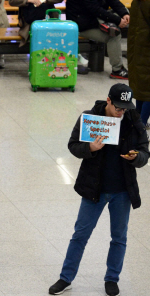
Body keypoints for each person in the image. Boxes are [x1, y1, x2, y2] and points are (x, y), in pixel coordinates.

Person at [48, 84, 149, 296]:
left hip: (122, 191)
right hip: (94, 189)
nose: (122, 112)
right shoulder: (90, 118)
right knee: (80, 235)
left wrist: (136, 157)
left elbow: (144, 152)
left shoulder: (133, 120)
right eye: (118, 107)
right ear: (108, 101)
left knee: (119, 237)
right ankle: (66, 277)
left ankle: (112, 278)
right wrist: (90, 148)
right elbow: (73, 145)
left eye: (125, 108)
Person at [66, 0, 129, 79]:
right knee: (113, 36)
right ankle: (117, 70)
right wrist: (118, 20)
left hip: (90, 20)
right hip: (79, 25)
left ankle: (117, 68)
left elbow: (113, 1)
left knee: (114, 25)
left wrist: (124, 13)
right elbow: (95, 9)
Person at [127, 0, 150, 129]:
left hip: (139, 49)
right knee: (147, 90)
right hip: (146, 50)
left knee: (141, 87)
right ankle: (140, 125)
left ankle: (138, 120)